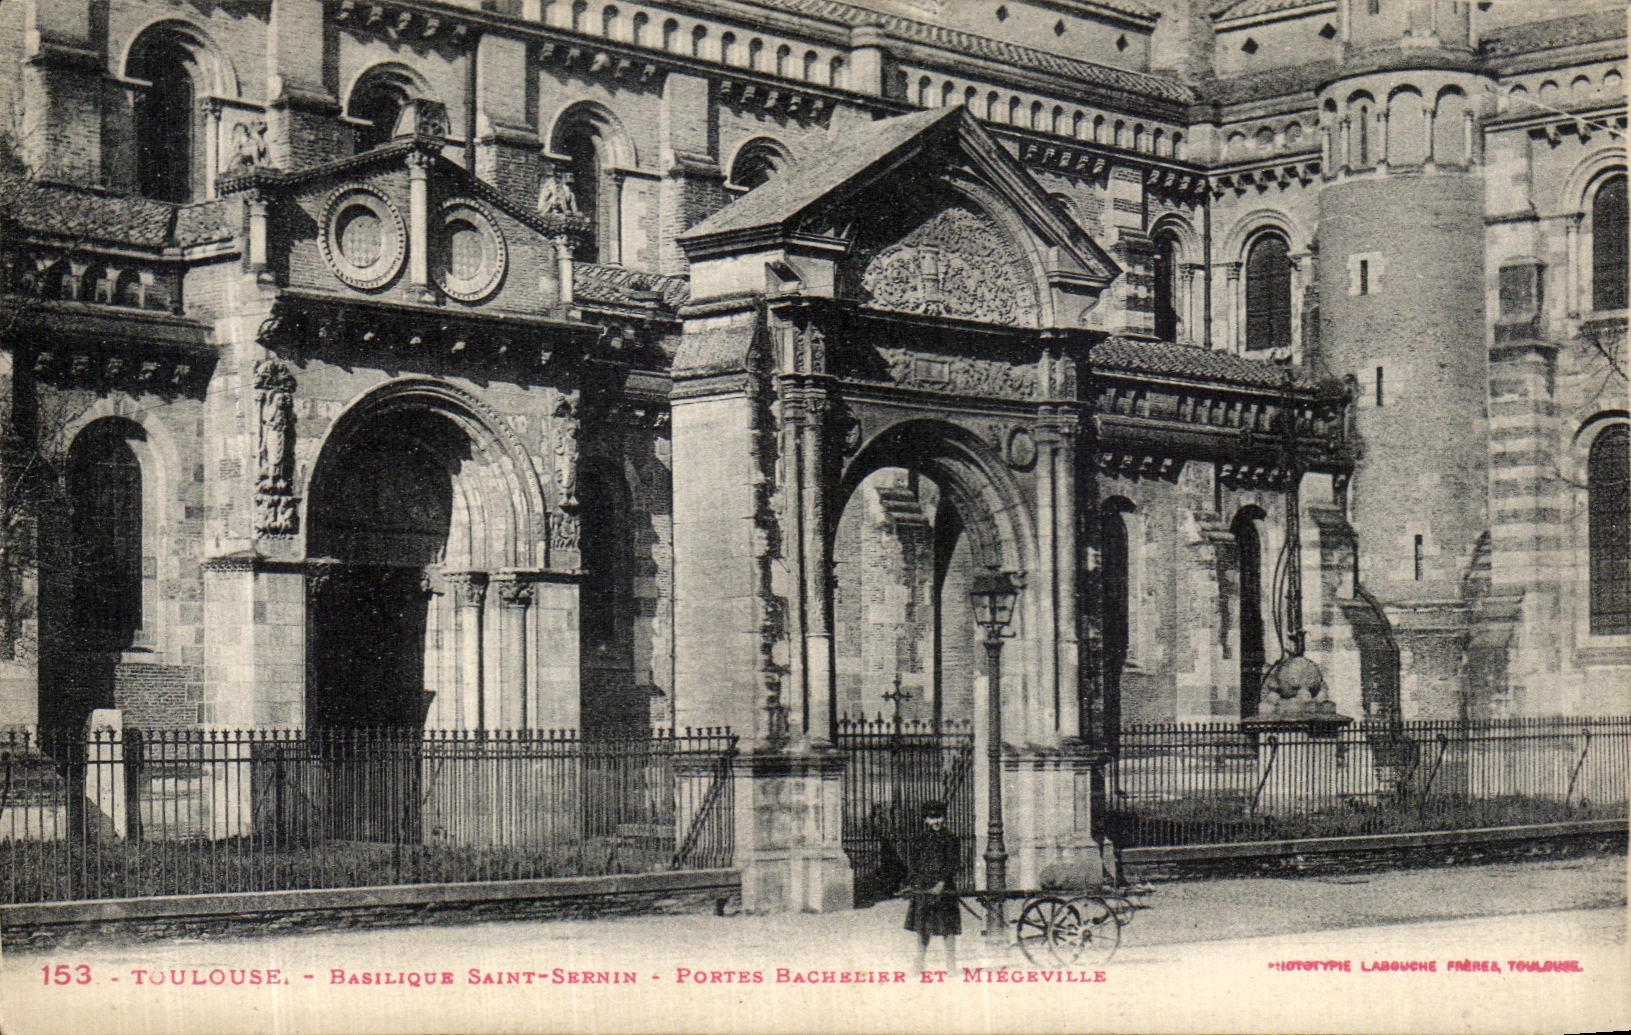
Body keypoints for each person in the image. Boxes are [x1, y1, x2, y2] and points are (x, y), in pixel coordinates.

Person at [903, 799, 960, 973]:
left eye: (939, 817)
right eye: (931, 818)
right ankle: (919, 963)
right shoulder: (919, 840)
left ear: (944, 818)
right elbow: (913, 864)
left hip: (945, 888)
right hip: (924, 887)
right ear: (925, 820)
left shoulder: (951, 839)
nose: (936, 821)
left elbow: (953, 863)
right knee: (922, 927)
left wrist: (942, 882)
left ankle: (951, 965)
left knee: (948, 927)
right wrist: (911, 884)